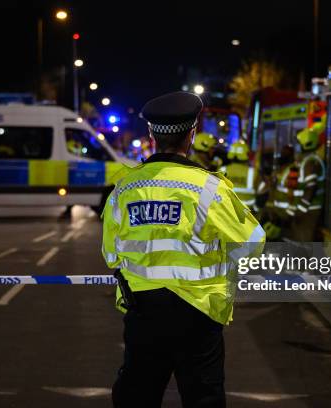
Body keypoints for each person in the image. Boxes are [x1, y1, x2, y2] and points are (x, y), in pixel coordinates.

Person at [101, 91, 264, 408]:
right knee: (203, 398)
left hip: (143, 311)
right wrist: (219, 264)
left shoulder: (124, 189)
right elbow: (252, 242)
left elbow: (111, 255)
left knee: (136, 397)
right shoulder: (209, 188)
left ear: (151, 135)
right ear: (192, 134)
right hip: (199, 313)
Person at [290, 125, 325, 242]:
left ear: (306, 144)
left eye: (299, 144)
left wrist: (300, 210)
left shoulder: (310, 162)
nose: (297, 147)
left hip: (309, 211)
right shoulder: (310, 160)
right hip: (309, 210)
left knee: (303, 243)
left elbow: (311, 188)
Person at [220, 140, 256, 208]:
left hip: (226, 210)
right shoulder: (252, 172)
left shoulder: (222, 170)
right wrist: (257, 208)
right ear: (246, 155)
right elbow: (263, 190)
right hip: (247, 213)